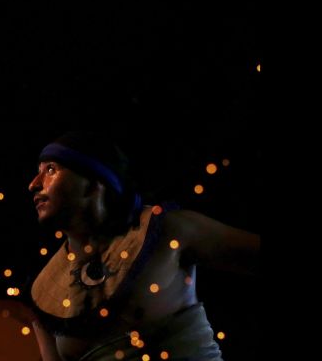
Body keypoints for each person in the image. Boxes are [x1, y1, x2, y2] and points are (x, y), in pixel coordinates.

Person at [25, 131, 259, 361]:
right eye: (38, 172)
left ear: (93, 184)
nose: (33, 184)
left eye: (51, 170)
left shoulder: (170, 230)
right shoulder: (43, 292)